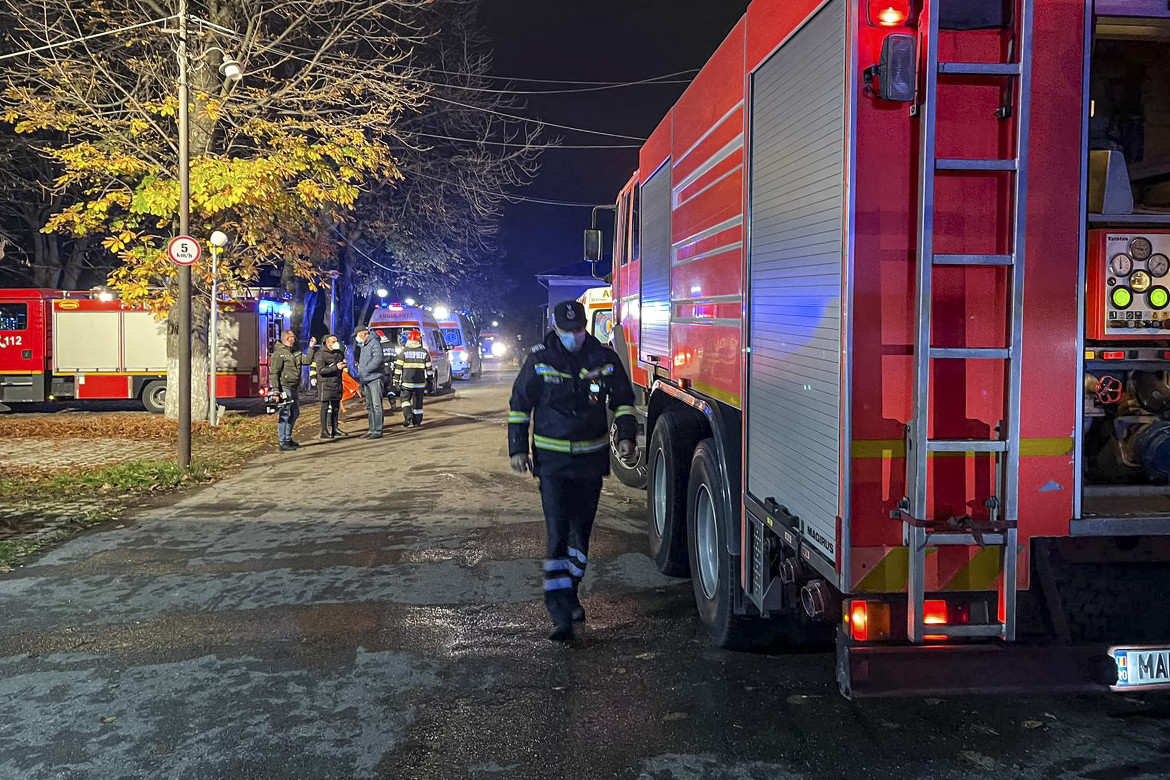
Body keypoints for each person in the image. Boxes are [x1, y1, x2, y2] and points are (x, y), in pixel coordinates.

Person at [508, 300, 637, 641]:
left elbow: (624, 399)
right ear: (556, 329)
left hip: (590, 463)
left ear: (585, 328)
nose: (574, 337)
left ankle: (571, 591)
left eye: (579, 331)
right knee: (558, 536)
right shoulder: (539, 359)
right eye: (567, 332)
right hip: (552, 465)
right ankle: (559, 612)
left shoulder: (604, 358)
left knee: (581, 539)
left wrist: (626, 437)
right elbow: (520, 405)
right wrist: (518, 449)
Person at [270, 330, 317, 452]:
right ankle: (283, 441)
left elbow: (307, 361)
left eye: (294, 337)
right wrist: (276, 391)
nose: (293, 339)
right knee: (285, 414)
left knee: (295, 413)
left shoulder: (296, 353)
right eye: (291, 337)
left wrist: (311, 347)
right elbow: (274, 373)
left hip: (293, 387)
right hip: (284, 387)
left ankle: (288, 438)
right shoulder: (279, 354)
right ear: (286, 338)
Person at [393, 329, 432, 428]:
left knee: (405, 400)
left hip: (406, 383)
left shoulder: (403, 352)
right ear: (419, 340)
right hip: (420, 384)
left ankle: (408, 416)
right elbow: (429, 369)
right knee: (418, 404)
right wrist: (430, 381)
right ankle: (417, 422)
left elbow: (398, 368)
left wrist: (396, 381)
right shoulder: (424, 352)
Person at [354, 325, 386, 439]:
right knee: (369, 406)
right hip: (365, 379)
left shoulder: (374, 343)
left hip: (374, 378)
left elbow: (378, 359)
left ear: (363, 334)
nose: (356, 338)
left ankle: (378, 430)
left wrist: (366, 369)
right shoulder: (363, 345)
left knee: (377, 405)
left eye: (357, 335)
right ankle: (371, 429)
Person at [315, 334, 347, 439]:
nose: (336, 343)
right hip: (325, 384)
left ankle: (335, 428)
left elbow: (342, 365)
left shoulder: (338, 353)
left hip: (336, 383)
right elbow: (321, 370)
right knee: (324, 408)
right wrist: (335, 367)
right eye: (334, 341)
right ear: (327, 343)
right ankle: (324, 431)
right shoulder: (320, 354)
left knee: (336, 407)